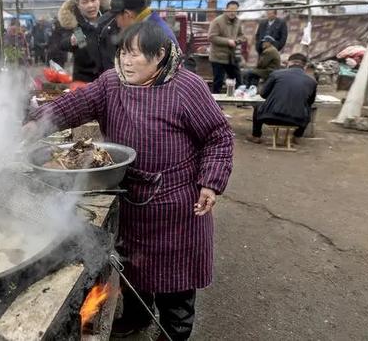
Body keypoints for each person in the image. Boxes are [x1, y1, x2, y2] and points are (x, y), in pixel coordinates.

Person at [23, 22, 234, 340]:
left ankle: (173, 331)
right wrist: (36, 124)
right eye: (122, 52)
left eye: (135, 54)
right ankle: (137, 317)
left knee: (174, 283)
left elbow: (218, 135)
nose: (125, 61)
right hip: (131, 197)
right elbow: (74, 105)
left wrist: (210, 181)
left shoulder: (186, 87)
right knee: (134, 268)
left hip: (176, 207)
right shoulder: (111, 83)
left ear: (160, 55)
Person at [247, 53, 317, 144]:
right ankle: (297, 136)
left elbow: (263, 94)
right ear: (305, 66)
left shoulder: (276, 74)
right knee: (308, 109)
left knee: (258, 106)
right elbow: (310, 102)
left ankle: (256, 136)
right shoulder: (312, 81)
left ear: (289, 63)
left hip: (270, 117)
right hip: (297, 121)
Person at [57, 0, 111, 82]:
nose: (90, 5)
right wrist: (71, 41)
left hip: (110, 80)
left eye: (93, 0)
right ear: (78, 5)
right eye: (85, 2)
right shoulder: (75, 25)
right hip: (85, 82)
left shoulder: (110, 19)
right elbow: (62, 43)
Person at [108, 0, 178, 46]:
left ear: (127, 14)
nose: (117, 24)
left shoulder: (152, 37)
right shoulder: (152, 25)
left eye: (116, 17)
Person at [208, 0, 246, 93]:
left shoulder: (238, 21)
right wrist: (227, 41)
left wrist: (238, 41)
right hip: (218, 57)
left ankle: (238, 101)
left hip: (232, 57)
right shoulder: (217, 21)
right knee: (218, 81)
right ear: (226, 9)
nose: (233, 13)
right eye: (231, 10)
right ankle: (215, 104)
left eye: (235, 10)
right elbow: (211, 37)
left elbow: (242, 35)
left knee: (238, 79)